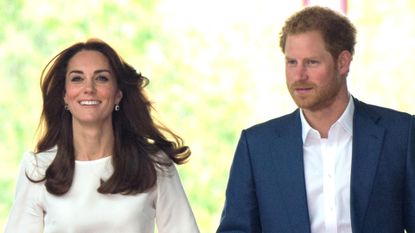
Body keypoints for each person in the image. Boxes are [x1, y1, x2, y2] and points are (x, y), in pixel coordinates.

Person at [217, 6, 415, 233]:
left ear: (343, 62)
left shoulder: (401, 134)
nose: (299, 75)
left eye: (311, 62)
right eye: (291, 62)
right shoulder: (256, 146)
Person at [5, 38, 200, 233]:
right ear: (65, 95)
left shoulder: (154, 164)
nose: (89, 88)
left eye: (101, 78)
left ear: (118, 94)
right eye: (77, 78)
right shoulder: (38, 169)